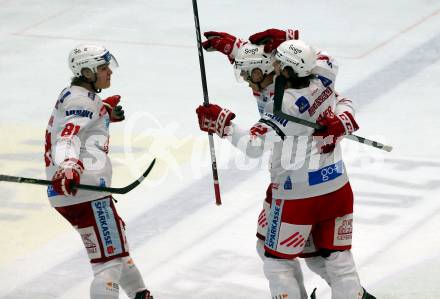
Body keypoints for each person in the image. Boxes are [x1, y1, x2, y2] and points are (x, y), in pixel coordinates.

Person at [196, 35, 376, 298]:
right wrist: (343, 121)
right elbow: (333, 80)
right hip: (336, 186)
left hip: (296, 195)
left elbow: (254, 146)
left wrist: (223, 124)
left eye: (279, 63)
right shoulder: (323, 75)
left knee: (276, 260)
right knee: (332, 259)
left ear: (288, 70)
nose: (276, 65)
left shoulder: (284, 106)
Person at [44, 44, 153, 299]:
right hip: (84, 191)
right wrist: (69, 166)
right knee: (109, 264)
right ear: (86, 71)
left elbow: (79, 124)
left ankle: (140, 294)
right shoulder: (82, 101)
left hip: (76, 191)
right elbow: (67, 137)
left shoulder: (78, 96)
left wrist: (103, 113)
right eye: (103, 68)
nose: (109, 73)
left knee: (117, 254)